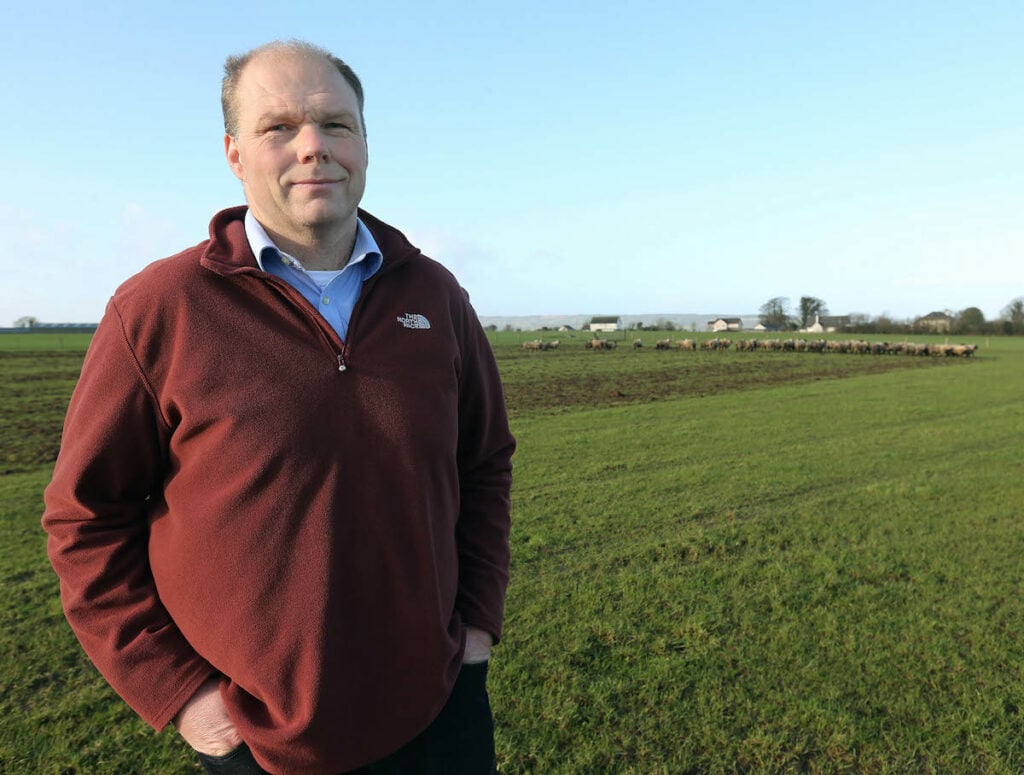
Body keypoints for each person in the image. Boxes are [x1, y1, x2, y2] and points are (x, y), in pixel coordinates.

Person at [42, 39, 515, 775]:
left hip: (440, 709)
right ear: (234, 154)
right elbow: (84, 517)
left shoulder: (435, 294)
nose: (313, 147)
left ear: (365, 144)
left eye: (336, 124)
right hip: (258, 742)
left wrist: (478, 624)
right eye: (279, 128)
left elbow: (483, 462)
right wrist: (178, 689)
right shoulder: (158, 310)